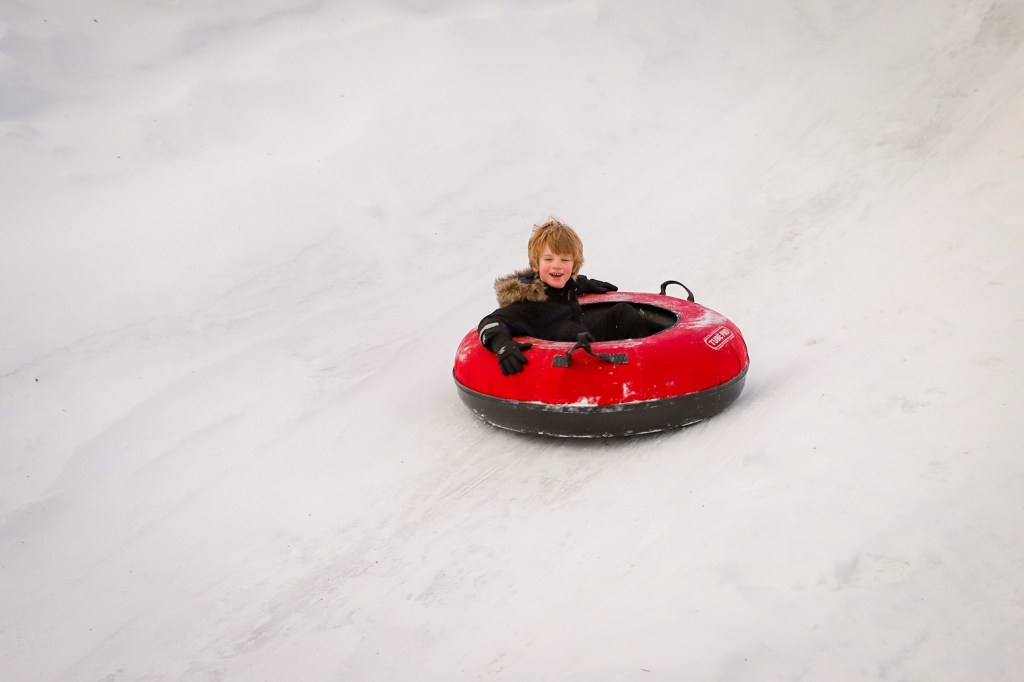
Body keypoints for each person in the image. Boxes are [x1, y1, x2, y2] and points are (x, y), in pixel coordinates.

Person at [477, 218, 647, 375]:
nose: (557, 266)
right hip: (564, 367)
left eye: (564, 260)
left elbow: (568, 284)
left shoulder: (564, 287)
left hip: (586, 343)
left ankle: (646, 361)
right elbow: (490, 322)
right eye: (549, 259)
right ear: (536, 265)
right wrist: (502, 346)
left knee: (623, 313)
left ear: (573, 266)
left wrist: (585, 284)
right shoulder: (530, 303)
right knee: (571, 331)